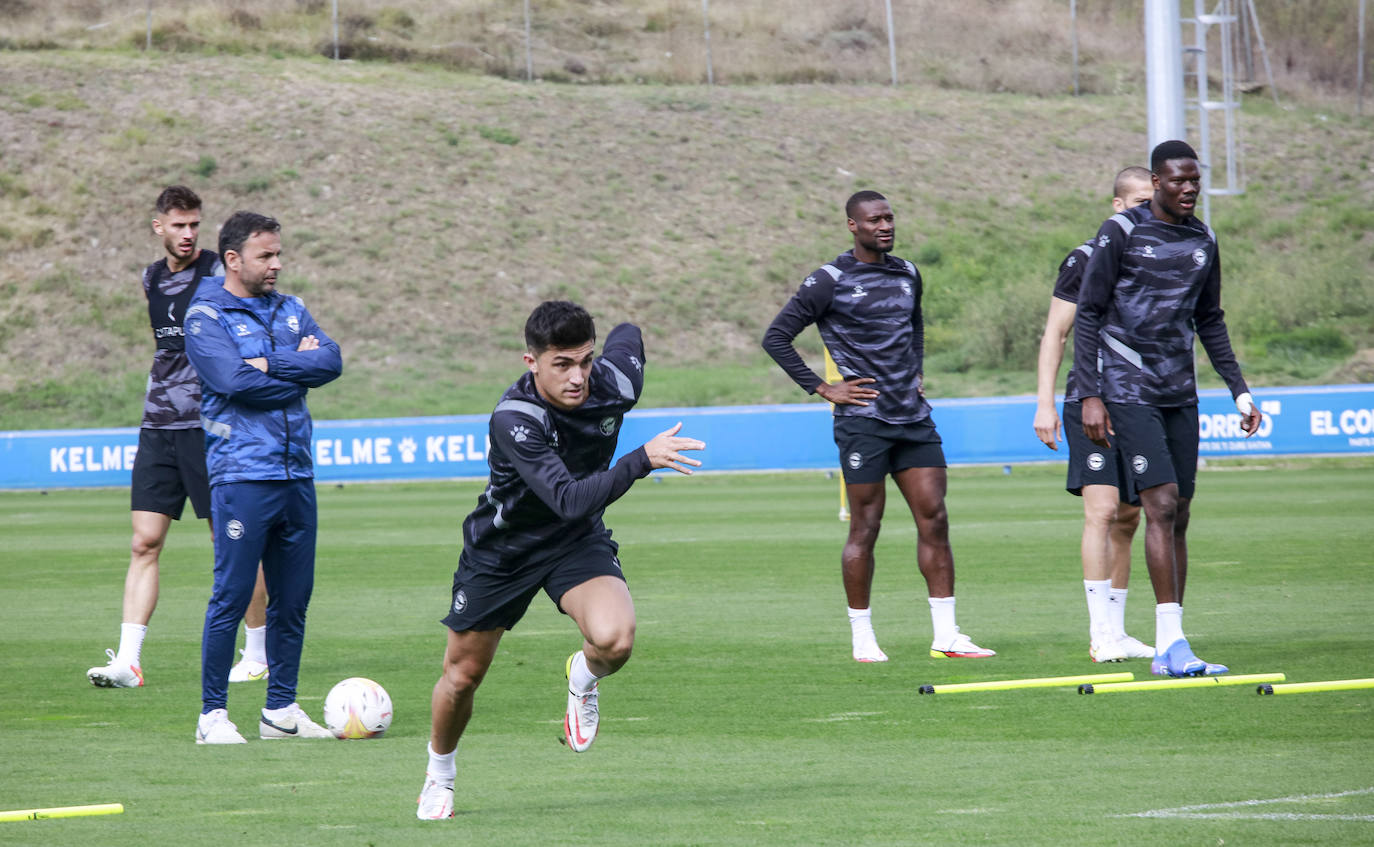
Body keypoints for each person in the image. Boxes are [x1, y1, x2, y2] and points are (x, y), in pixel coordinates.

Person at [417, 301, 705, 820]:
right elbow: (568, 497)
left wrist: (615, 340)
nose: (578, 378)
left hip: (574, 540)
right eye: (562, 365)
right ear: (531, 362)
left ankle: (583, 674)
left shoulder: (614, 382)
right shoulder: (515, 417)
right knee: (462, 677)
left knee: (616, 641)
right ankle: (440, 774)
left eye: (585, 361)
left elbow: (629, 333)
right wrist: (640, 460)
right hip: (504, 549)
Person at [762, 190, 993, 664]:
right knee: (866, 526)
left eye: (889, 217)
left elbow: (916, 326)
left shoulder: (908, 273)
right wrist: (824, 388)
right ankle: (863, 636)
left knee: (936, 517)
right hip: (863, 423)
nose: (885, 226)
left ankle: (946, 634)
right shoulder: (829, 279)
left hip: (913, 418)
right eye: (874, 220)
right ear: (853, 225)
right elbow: (776, 337)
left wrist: (918, 373)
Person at [1073, 141, 1262, 678]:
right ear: (1156, 182)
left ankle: (1172, 641)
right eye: (1177, 181)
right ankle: (1170, 644)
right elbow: (1087, 313)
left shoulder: (1204, 238)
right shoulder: (1123, 232)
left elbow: (1211, 318)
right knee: (1157, 505)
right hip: (1128, 391)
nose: (1188, 189)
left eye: (1194, 181)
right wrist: (1090, 393)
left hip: (1181, 392)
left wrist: (1239, 389)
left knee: (1178, 513)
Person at [87, 186, 270, 690]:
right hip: (158, 427)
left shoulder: (219, 273)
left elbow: (254, 318)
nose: (188, 234)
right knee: (144, 542)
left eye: (195, 224)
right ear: (159, 227)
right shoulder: (150, 278)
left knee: (229, 540)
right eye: (179, 225)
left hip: (210, 429)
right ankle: (129, 661)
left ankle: (257, 652)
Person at [184, 211, 343, 742]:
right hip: (242, 474)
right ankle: (212, 716)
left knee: (293, 599)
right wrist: (294, 372)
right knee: (230, 596)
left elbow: (331, 361)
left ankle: (281, 711)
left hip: (296, 473)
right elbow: (230, 379)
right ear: (233, 259)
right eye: (266, 255)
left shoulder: (292, 308)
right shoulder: (207, 315)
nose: (277, 263)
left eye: (278, 254)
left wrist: (268, 367)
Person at [1033, 167, 1155, 663]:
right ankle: (1099, 632)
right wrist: (1044, 403)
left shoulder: (1158, 258)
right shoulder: (1084, 258)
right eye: (1142, 200)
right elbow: (1055, 334)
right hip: (1091, 400)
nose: (1151, 208)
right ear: (1119, 205)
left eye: (1156, 199)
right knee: (1101, 513)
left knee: (1129, 517)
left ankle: (1119, 630)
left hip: (1141, 400)